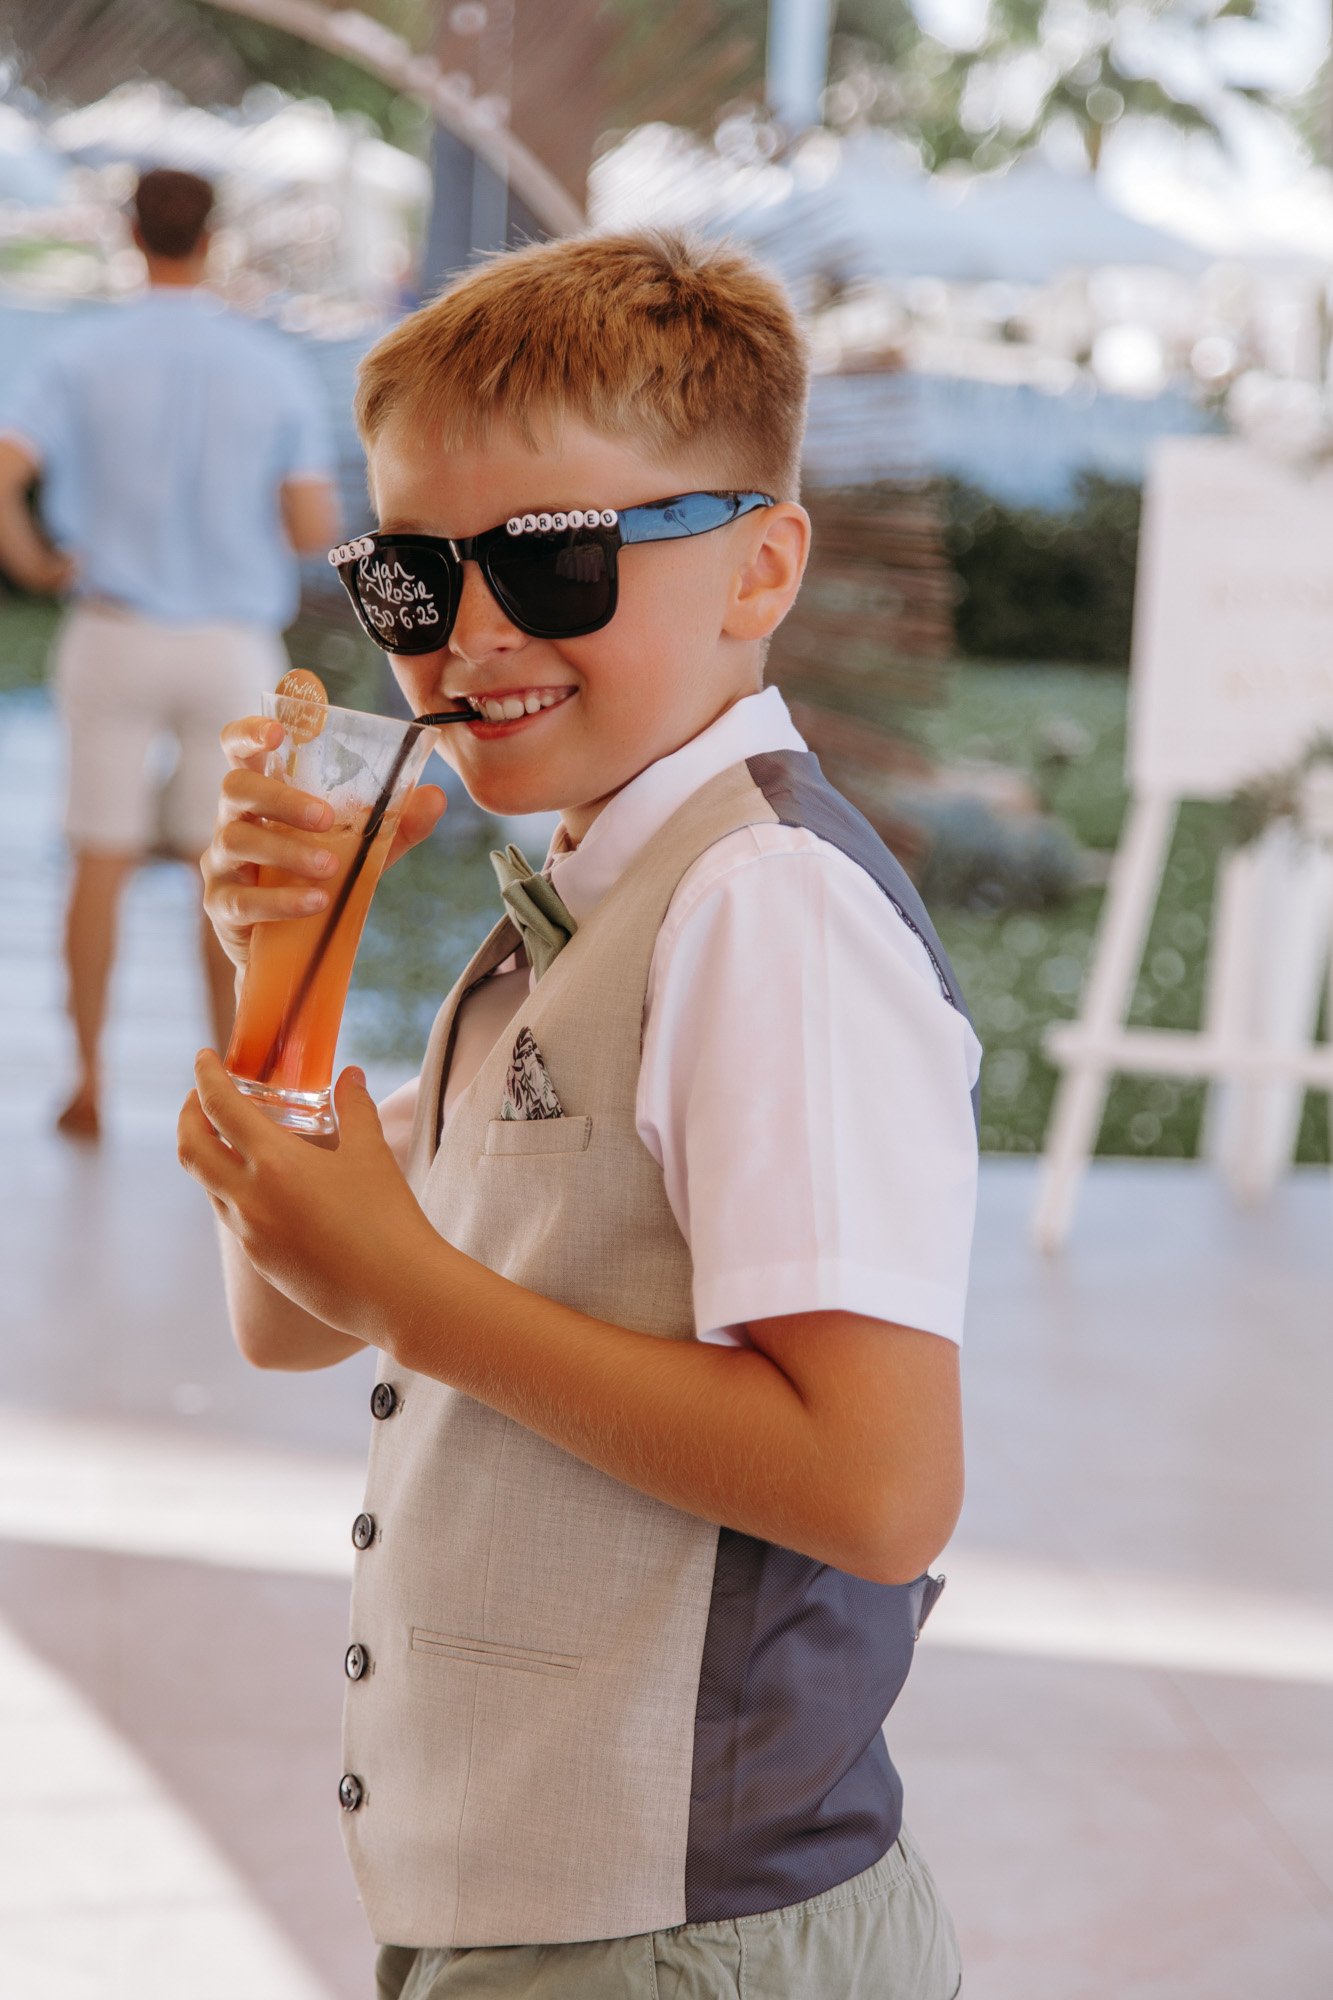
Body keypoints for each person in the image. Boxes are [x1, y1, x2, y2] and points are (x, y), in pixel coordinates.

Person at [178, 230, 981, 1999]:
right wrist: (286, 969)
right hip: (538, 1913)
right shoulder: (582, 905)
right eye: (409, 577)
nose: (470, 635)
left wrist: (412, 1297)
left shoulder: (761, 908)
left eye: (550, 561)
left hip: (678, 1934)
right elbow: (287, 1315)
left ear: (761, 567)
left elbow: (878, 1490)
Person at [0, 166, 339, 1141]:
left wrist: (36, 561)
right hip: (230, 645)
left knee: (97, 860)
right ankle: (227, 1090)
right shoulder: (270, 363)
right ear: (213, 238)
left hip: (111, 630)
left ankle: (88, 1081)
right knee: (224, 868)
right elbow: (311, 522)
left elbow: (6, 466)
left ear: (130, 232)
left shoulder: (81, 352)